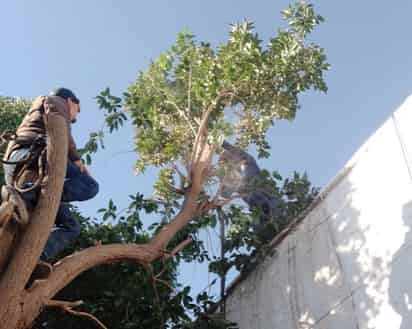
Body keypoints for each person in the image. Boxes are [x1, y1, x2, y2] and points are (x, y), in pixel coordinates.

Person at [2, 88, 99, 261]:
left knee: (72, 226)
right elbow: (58, 122)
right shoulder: (55, 101)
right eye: (78, 109)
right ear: (71, 101)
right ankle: (27, 193)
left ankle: (37, 256)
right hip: (30, 152)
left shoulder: (51, 109)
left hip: (19, 163)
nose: (76, 116)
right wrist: (76, 160)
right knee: (90, 185)